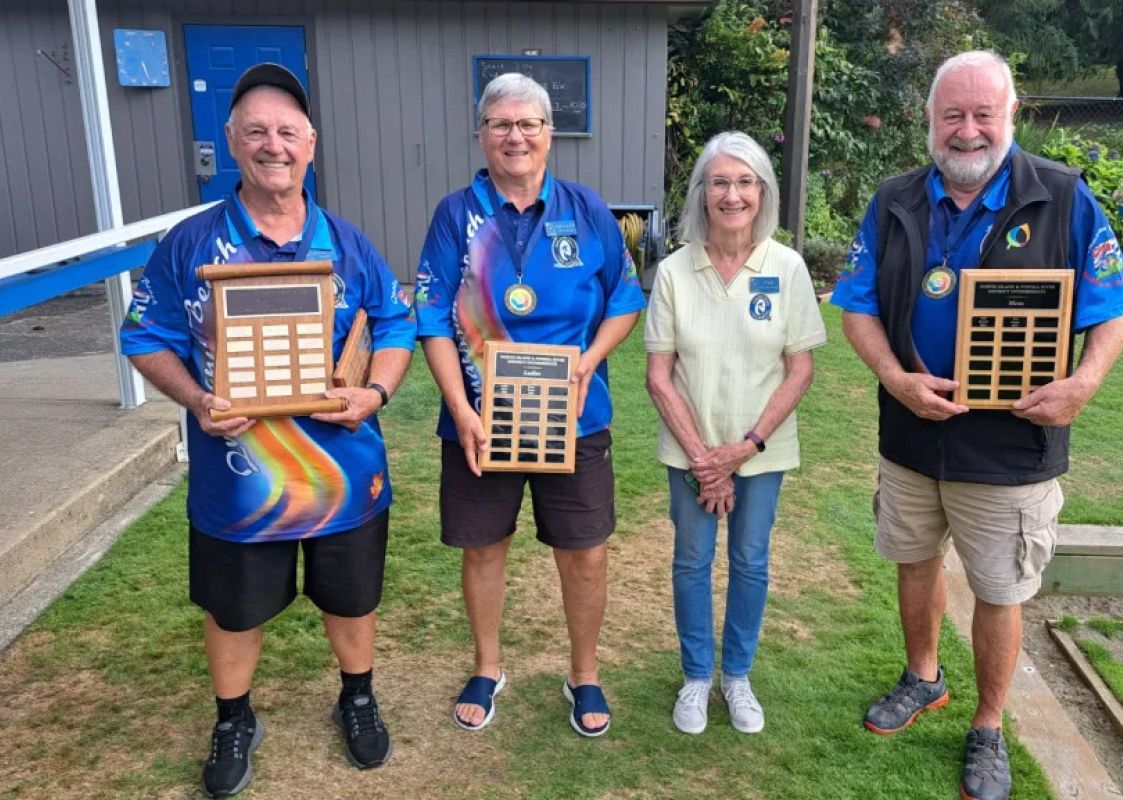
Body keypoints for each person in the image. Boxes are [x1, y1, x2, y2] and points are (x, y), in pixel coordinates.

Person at [829, 51, 1123, 800]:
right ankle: (923, 676)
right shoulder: (894, 198)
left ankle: (990, 724)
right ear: (930, 121)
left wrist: (1082, 386)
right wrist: (895, 378)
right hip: (912, 434)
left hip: (1009, 448)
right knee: (914, 561)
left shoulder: (1063, 198)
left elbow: (1115, 306)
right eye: (952, 116)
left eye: (982, 115)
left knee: (1000, 590)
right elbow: (857, 306)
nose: (966, 131)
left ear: (1011, 116)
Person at [120, 63, 415, 797]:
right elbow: (143, 333)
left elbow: (398, 321)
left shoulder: (347, 243)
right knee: (234, 608)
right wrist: (195, 397)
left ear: (310, 144)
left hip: (344, 476)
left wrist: (375, 392)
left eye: (287, 132)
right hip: (238, 479)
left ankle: (357, 697)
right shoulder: (189, 244)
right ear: (231, 142)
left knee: (352, 599)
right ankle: (233, 717)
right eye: (256, 130)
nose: (272, 145)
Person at [414, 73, 644, 738]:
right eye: (501, 124)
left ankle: (585, 672)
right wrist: (460, 410)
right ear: (482, 134)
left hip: (573, 416)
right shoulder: (456, 215)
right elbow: (431, 317)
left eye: (529, 124)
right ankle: (488, 666)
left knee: (586, 552)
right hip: (480, 418)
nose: (515, 135)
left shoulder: (587, 209)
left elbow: (625, 300)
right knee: (484, 547)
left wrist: (589, 362)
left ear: (549, 134)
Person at [644, 132, 826, 736]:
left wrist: (743, 449)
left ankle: (737, 676)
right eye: (720, 182)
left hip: (760, 451)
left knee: (750, 561)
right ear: (701, 194)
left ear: (763, 192)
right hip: (690, 452)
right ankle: (697, 677)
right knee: (692, 562)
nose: (732, 194)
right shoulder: (673, 271)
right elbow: (659, 375)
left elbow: (800, 367)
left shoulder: (786, 266)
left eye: (745, 182)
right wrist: (704, 460)